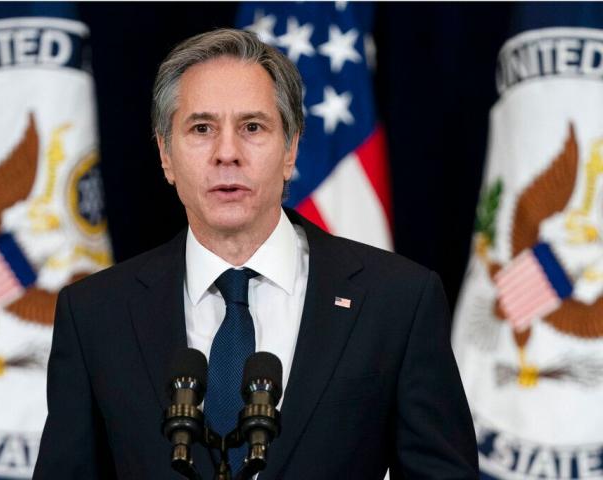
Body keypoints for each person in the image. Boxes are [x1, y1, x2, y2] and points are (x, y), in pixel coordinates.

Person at [33, 28, 479, 479]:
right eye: (202, 128)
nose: (227, 153)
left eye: (252, 127)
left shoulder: (397, 301)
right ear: (166, 154)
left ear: (290, 149)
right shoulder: (95, 315)